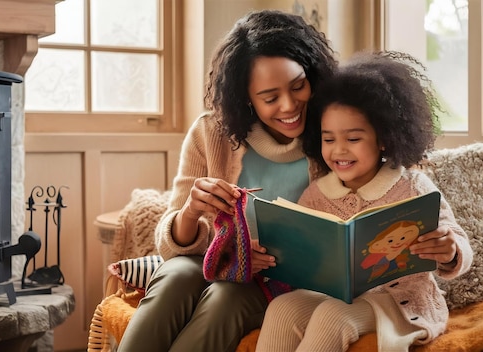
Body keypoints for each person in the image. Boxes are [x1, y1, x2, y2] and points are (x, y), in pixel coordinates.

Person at [117, 9, 338, 352]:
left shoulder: (338, 136)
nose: (289, 105)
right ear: (245, 98)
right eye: (269, 97)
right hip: (213, 260)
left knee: (225, 297)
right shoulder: (211, 133)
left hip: (284, 283)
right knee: (175, 276)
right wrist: (190, 212)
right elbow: (170, 248)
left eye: (298, 86)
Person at [255, 51, 474, 352]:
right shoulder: (316, 194)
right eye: (329, 139)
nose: (339, 151)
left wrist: (449, 250)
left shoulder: (412, 187)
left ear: (383, 139)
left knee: (334, 317)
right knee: (283, 308)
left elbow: (457, 242)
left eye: (353, 139)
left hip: (401, 303)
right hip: (333, 296)